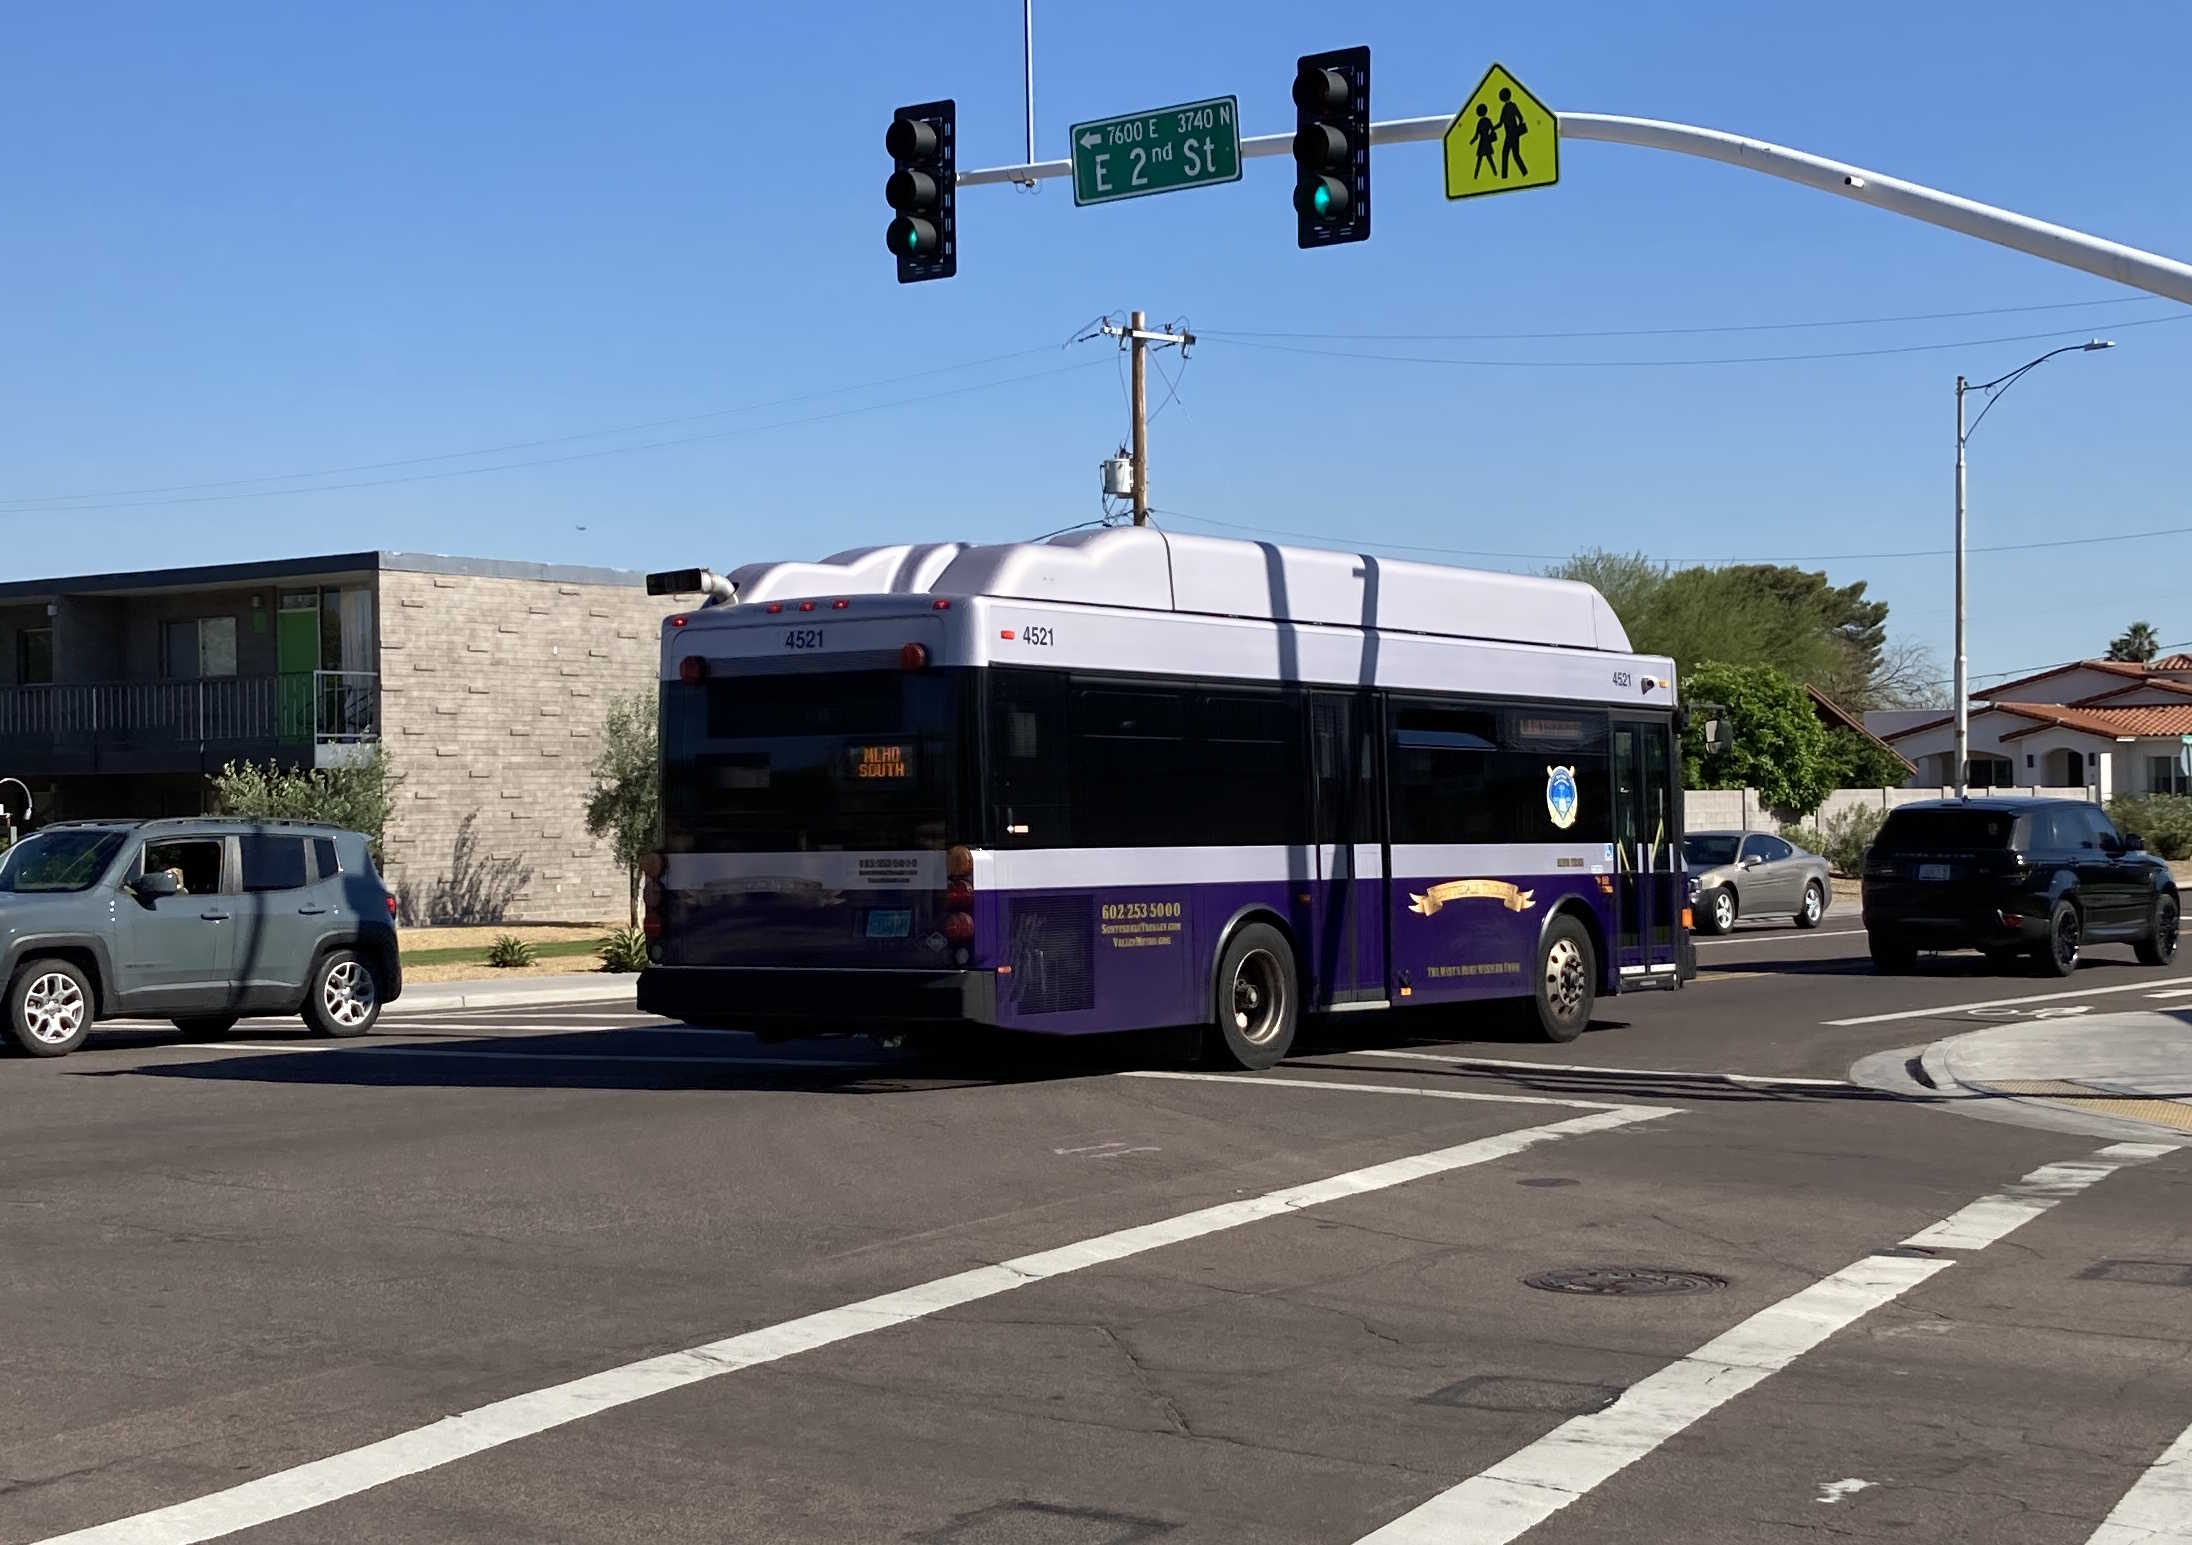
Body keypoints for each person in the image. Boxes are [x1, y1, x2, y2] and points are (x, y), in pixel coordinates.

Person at [1498, 86, 1529, 179]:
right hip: (1511, 135)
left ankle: (1524, 173)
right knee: (1508, 154)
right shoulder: (1509, 106)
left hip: (1512, 135)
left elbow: (1501, 123)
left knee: (1512, 154)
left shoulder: (1508, 107)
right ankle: (1506, 176)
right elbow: (1520, 118)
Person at [1470, 103, 1498, 180]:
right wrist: (1471, 142)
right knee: (1488, 159)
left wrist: (1472, 142)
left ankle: (1476, 175)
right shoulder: (1487, 121)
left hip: (1483, 142)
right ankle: (1495, 173)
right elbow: (1492, 129)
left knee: (1482, 160)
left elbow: (1476, 135)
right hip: (1486, 142)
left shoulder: (1480, 122)